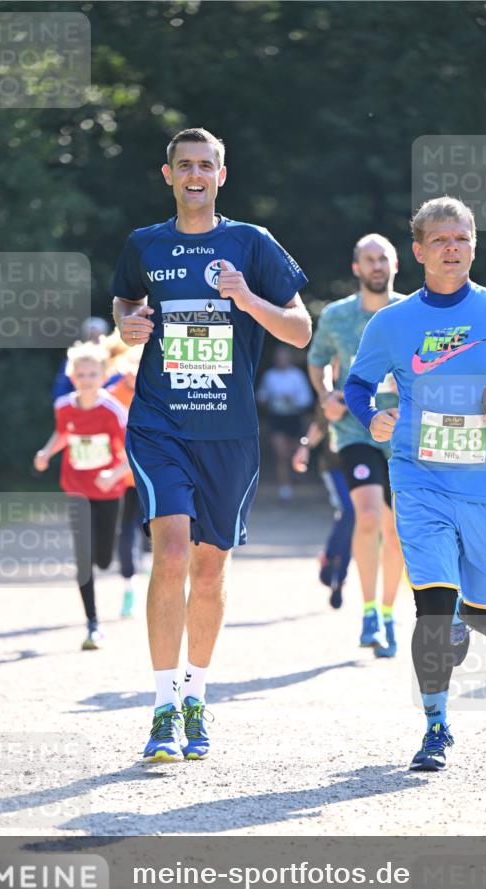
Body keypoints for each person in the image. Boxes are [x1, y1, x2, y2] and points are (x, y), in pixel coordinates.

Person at [111, 126, 310, 764]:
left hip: (229, 432)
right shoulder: (145, 244)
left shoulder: (251, 243)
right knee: (170, 552)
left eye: (206, 165)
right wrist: (127, 323)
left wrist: (246, 298)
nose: (195, 175)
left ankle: (196, 695)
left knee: (210, 568)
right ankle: (163, 708)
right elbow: (126, 300)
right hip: (159, 423)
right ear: (167, 174)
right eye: (185, 165)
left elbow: (300, 330)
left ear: (221, 176)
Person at [345, 196, 486, 772]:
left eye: (462, 238)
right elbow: (358, 385)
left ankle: (470, 612)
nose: (452, 248)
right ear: (418, 251)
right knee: (432, 608)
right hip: (419, 479)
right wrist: (372, 417)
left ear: (474, 247)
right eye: (440, 239)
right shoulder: (392, 322)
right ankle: (436, 726)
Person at [307, 235, 405, 658]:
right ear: (356, 268)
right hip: (355, 428)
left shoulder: (414, 312)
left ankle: (388, 613)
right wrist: (326, 396)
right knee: (366, 515)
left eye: (383, 258)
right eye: (369, 259)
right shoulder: (336, 315)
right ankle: (367, 614)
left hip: (403, 433)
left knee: (397, 529)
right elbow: (317, 361)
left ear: (395, 265)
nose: (377, 265)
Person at [34, 340, 131, 649]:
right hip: (76, 488)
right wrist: (46, 452)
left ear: (104, 376)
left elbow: (134, 451)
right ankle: (93, 625)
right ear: (72, 376)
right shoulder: (63, 406)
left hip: (108, 490)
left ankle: (106, 550)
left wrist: (113, 474)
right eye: (81, 374)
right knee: (83, 559)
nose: (86, 380)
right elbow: (64, 433)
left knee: (103, 559)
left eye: (92, 374)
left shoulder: (113, 410)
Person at [291, 399, 355, 609]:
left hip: (362, 462)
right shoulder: (330, 392)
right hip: (334, 466)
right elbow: (320, 424)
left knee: (355, 519)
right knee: (349, 510)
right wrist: (304, 448)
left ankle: (340, 577)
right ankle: (329, 556)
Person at [107, 344, 147, 617]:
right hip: (122, 479)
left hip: (152, 476)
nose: (134, 370)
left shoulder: (157, 393)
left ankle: (152, 568)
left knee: (154, 531)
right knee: (124, 532)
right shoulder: (110, 397)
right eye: (131, 364)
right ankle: (129, 587)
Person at [256, 345, 313, 500]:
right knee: (281, 454)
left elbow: (307, 399)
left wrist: (293, 400)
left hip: (294, 417)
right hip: (277, 417)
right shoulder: (269, 376)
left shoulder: (297, 376)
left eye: (285, 357)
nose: (282, 360)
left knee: (295, 451)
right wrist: (266, 400)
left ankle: (298, 480)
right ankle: (285, 487)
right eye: (279, 357)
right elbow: (261, 395)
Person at [51, 317, 111, 401]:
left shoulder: (114, 360)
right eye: (90, 335)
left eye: (97, 336)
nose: (93, 339)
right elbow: (61, 390)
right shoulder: (72, 359)